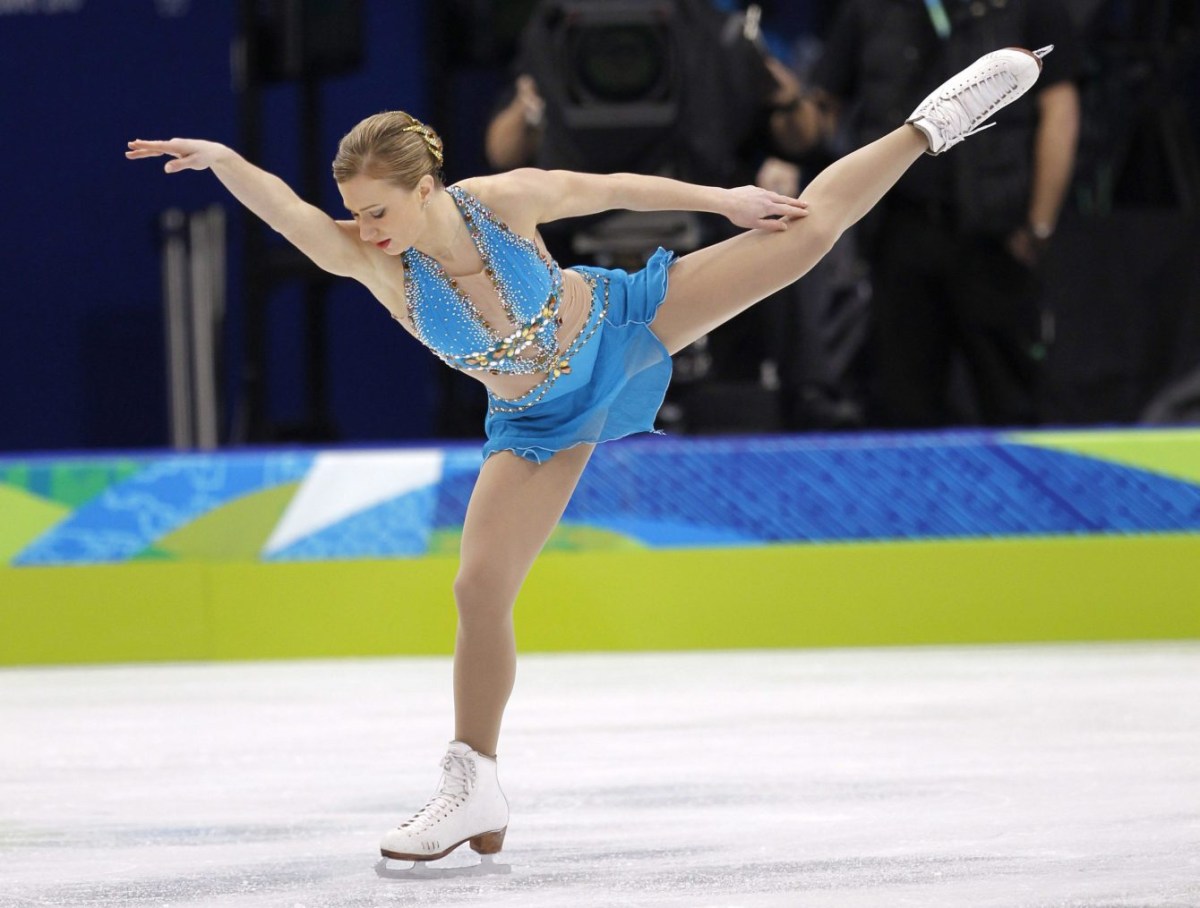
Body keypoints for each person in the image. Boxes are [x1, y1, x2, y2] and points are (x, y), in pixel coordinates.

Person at [127, 45, 1050, 865]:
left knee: (802, 235)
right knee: (477, 587)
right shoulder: (374, 263)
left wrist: (723, 201)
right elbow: (286, 211)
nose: (364, 228)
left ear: (425, 189)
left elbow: (611, 185)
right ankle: (474, 780)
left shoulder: (499, 203)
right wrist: (225, 161)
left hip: (620, 326)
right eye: (355, 213)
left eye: (377, 210)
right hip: (538, 424)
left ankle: (930, 126)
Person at [775, 0, 1082, 428]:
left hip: (996, 234)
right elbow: (821, 115)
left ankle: (1020, 473)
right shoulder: (867, 10)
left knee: (1009, 398)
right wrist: (786, 106)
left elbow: (1059, 112)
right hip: (900, 227)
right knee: (902, 401)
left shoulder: (1028, 7)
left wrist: (1039, 224)